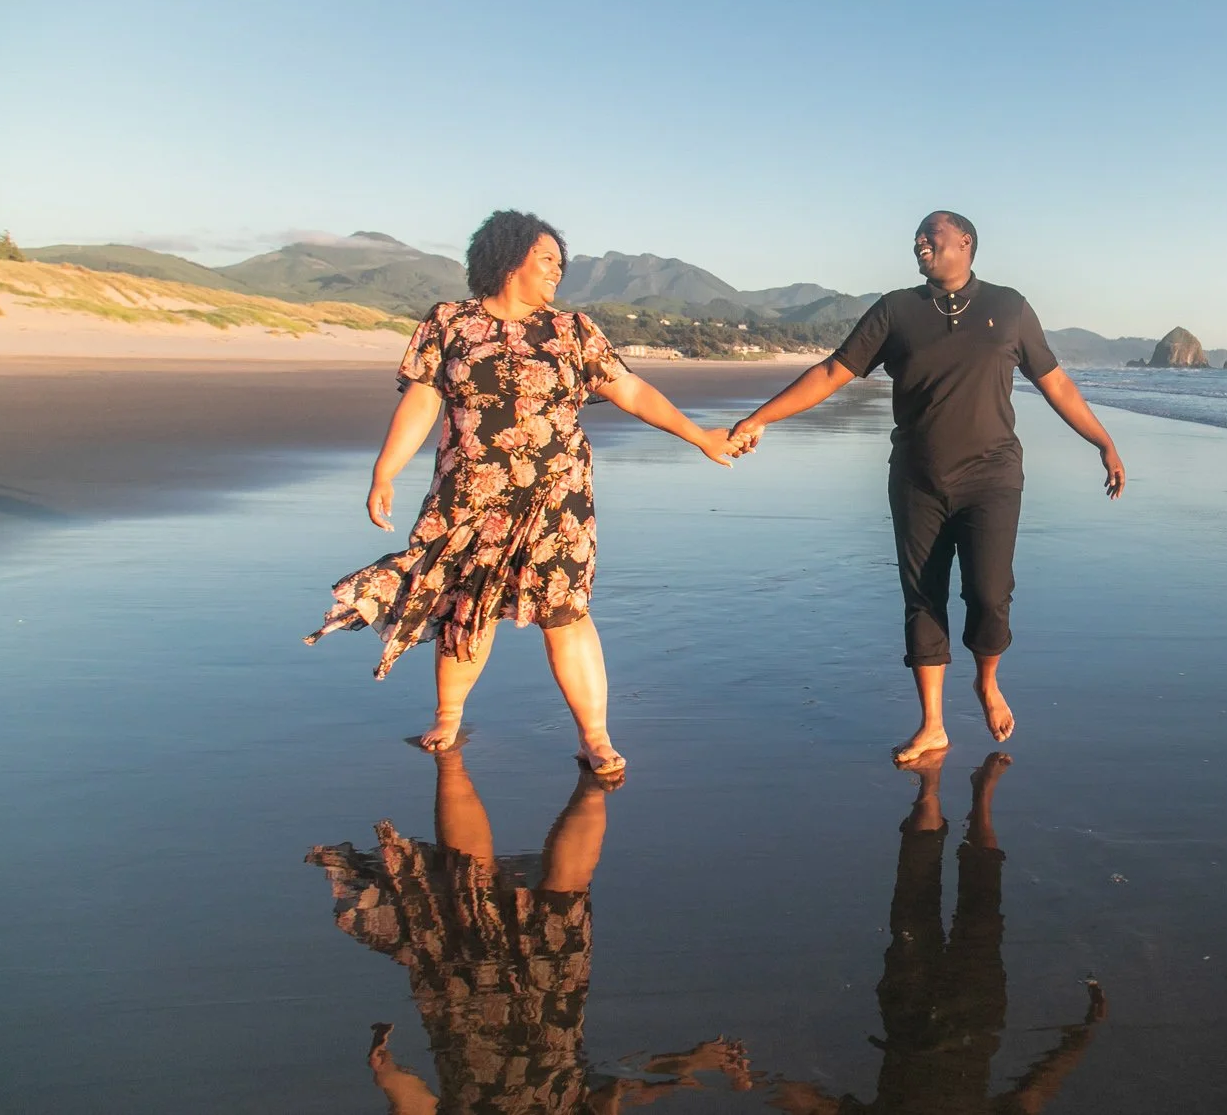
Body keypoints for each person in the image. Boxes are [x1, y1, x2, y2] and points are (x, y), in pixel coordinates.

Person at [305, 210, 735, 774]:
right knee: (466, 606)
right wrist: (385, 470)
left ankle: (595, 736)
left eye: (561, 261)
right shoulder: (448, 324)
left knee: (565, 611)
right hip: (469, 495)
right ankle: (449, 716)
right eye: (548, 259)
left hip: (557, 498)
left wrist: (700, 435)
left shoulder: (572, 330)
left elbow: (629, 389)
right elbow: (422, 401)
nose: (558, 271)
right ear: (509, 260)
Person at [728, 211, 1124, 763]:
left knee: (989, 593)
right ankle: (932, 724)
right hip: (917, 477)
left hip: (993, 476)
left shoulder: (1009, 307)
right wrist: (759, 419)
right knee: (923, 596)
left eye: (931, 233)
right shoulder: (896, 309)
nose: (920, 241)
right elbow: (831, 372)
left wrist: (1102, 442)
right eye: (916, 235)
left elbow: (1054, 382)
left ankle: (986, 681)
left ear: (966, 242)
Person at [308, 756, 754, 1113]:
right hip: (465, 1006)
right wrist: (385, 1070)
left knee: (557, 894)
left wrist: (689, 1063)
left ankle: (581, 784)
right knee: (471, 883)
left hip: (543, 1015)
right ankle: (456, 761)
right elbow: (415, 1106)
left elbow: (611, 1095)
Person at [762, 753, 1106, 1115]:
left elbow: (821, 1109)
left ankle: (929, 791)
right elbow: (1032, 1094)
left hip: (908, 1014)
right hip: (975, 1019)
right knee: (979, 914)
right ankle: (982, 800)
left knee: (916, 909)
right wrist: (1081, 1037)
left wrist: (760, 1079)